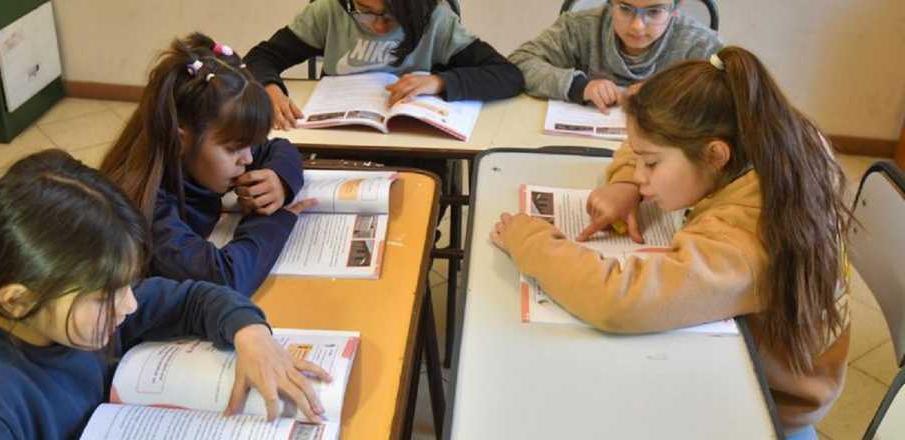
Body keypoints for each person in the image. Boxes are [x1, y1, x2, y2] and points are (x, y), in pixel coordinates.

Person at [491, 47, 850, 439]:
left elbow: (619, 300)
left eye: (652, 164)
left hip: (767, 404)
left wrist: (527, 238)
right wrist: (627, 180)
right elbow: (646, 137)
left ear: (714, 154)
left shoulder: (747, 240)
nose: (644, 176)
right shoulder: (771, 138)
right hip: (749, 359)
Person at [0, 150, 328, 439]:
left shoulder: (72, 310)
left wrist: (250, 334)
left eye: (125, 285)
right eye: (107, 296)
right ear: (18, 300)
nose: (130, 304)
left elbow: (193, 299)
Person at [101, 33, 314, 296]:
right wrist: (273, 217)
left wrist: (277, 180)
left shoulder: (204, 148)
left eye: (249, 144)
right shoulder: (145, 207)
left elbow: (279, 148)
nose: (247, 159)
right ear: (181, 140)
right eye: (235, 148)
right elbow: (226, 278)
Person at [244, 0, 524, 130]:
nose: (378, 26)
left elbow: (508, 75)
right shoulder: (330, 11)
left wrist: (440, 82)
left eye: (390, 15)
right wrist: (269, 87)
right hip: (340, 135)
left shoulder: (435, 19)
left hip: (412, 142)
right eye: (364, 11)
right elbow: (261, 56)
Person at [509, 0, 721, 113]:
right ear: (610, 4)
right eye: (625, 9)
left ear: (676, 7)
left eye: (655, 12)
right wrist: (579, 86)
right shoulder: (579, 26)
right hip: (585, 147)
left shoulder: (701, 44)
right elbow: (519, 63)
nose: (637, 26)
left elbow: (736, 96)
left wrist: (665, 93)